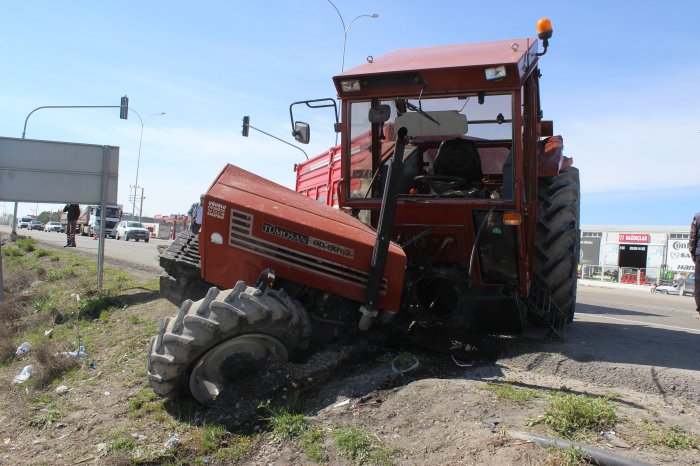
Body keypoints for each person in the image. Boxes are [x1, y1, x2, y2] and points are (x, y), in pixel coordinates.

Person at [690, 211, 700, 318]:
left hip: (699, 254)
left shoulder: (697, 217)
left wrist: (692, 252)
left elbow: (693, 236)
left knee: (699, 282)